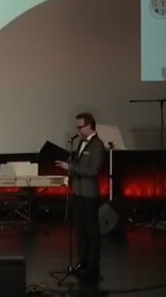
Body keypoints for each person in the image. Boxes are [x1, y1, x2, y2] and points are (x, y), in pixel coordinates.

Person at [56, 112, 106, 281]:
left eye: (80, 127)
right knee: (80, 230)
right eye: (76, 127)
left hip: (89, 194)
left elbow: (92, 171)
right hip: (77, 192)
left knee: (91, 231)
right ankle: (83, 262)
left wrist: (71, 167)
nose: (77, 130)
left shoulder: (97, 145)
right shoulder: (80, 142)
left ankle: (93, 266)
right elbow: (79, 165)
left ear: (89, 126)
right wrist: (69, 166)